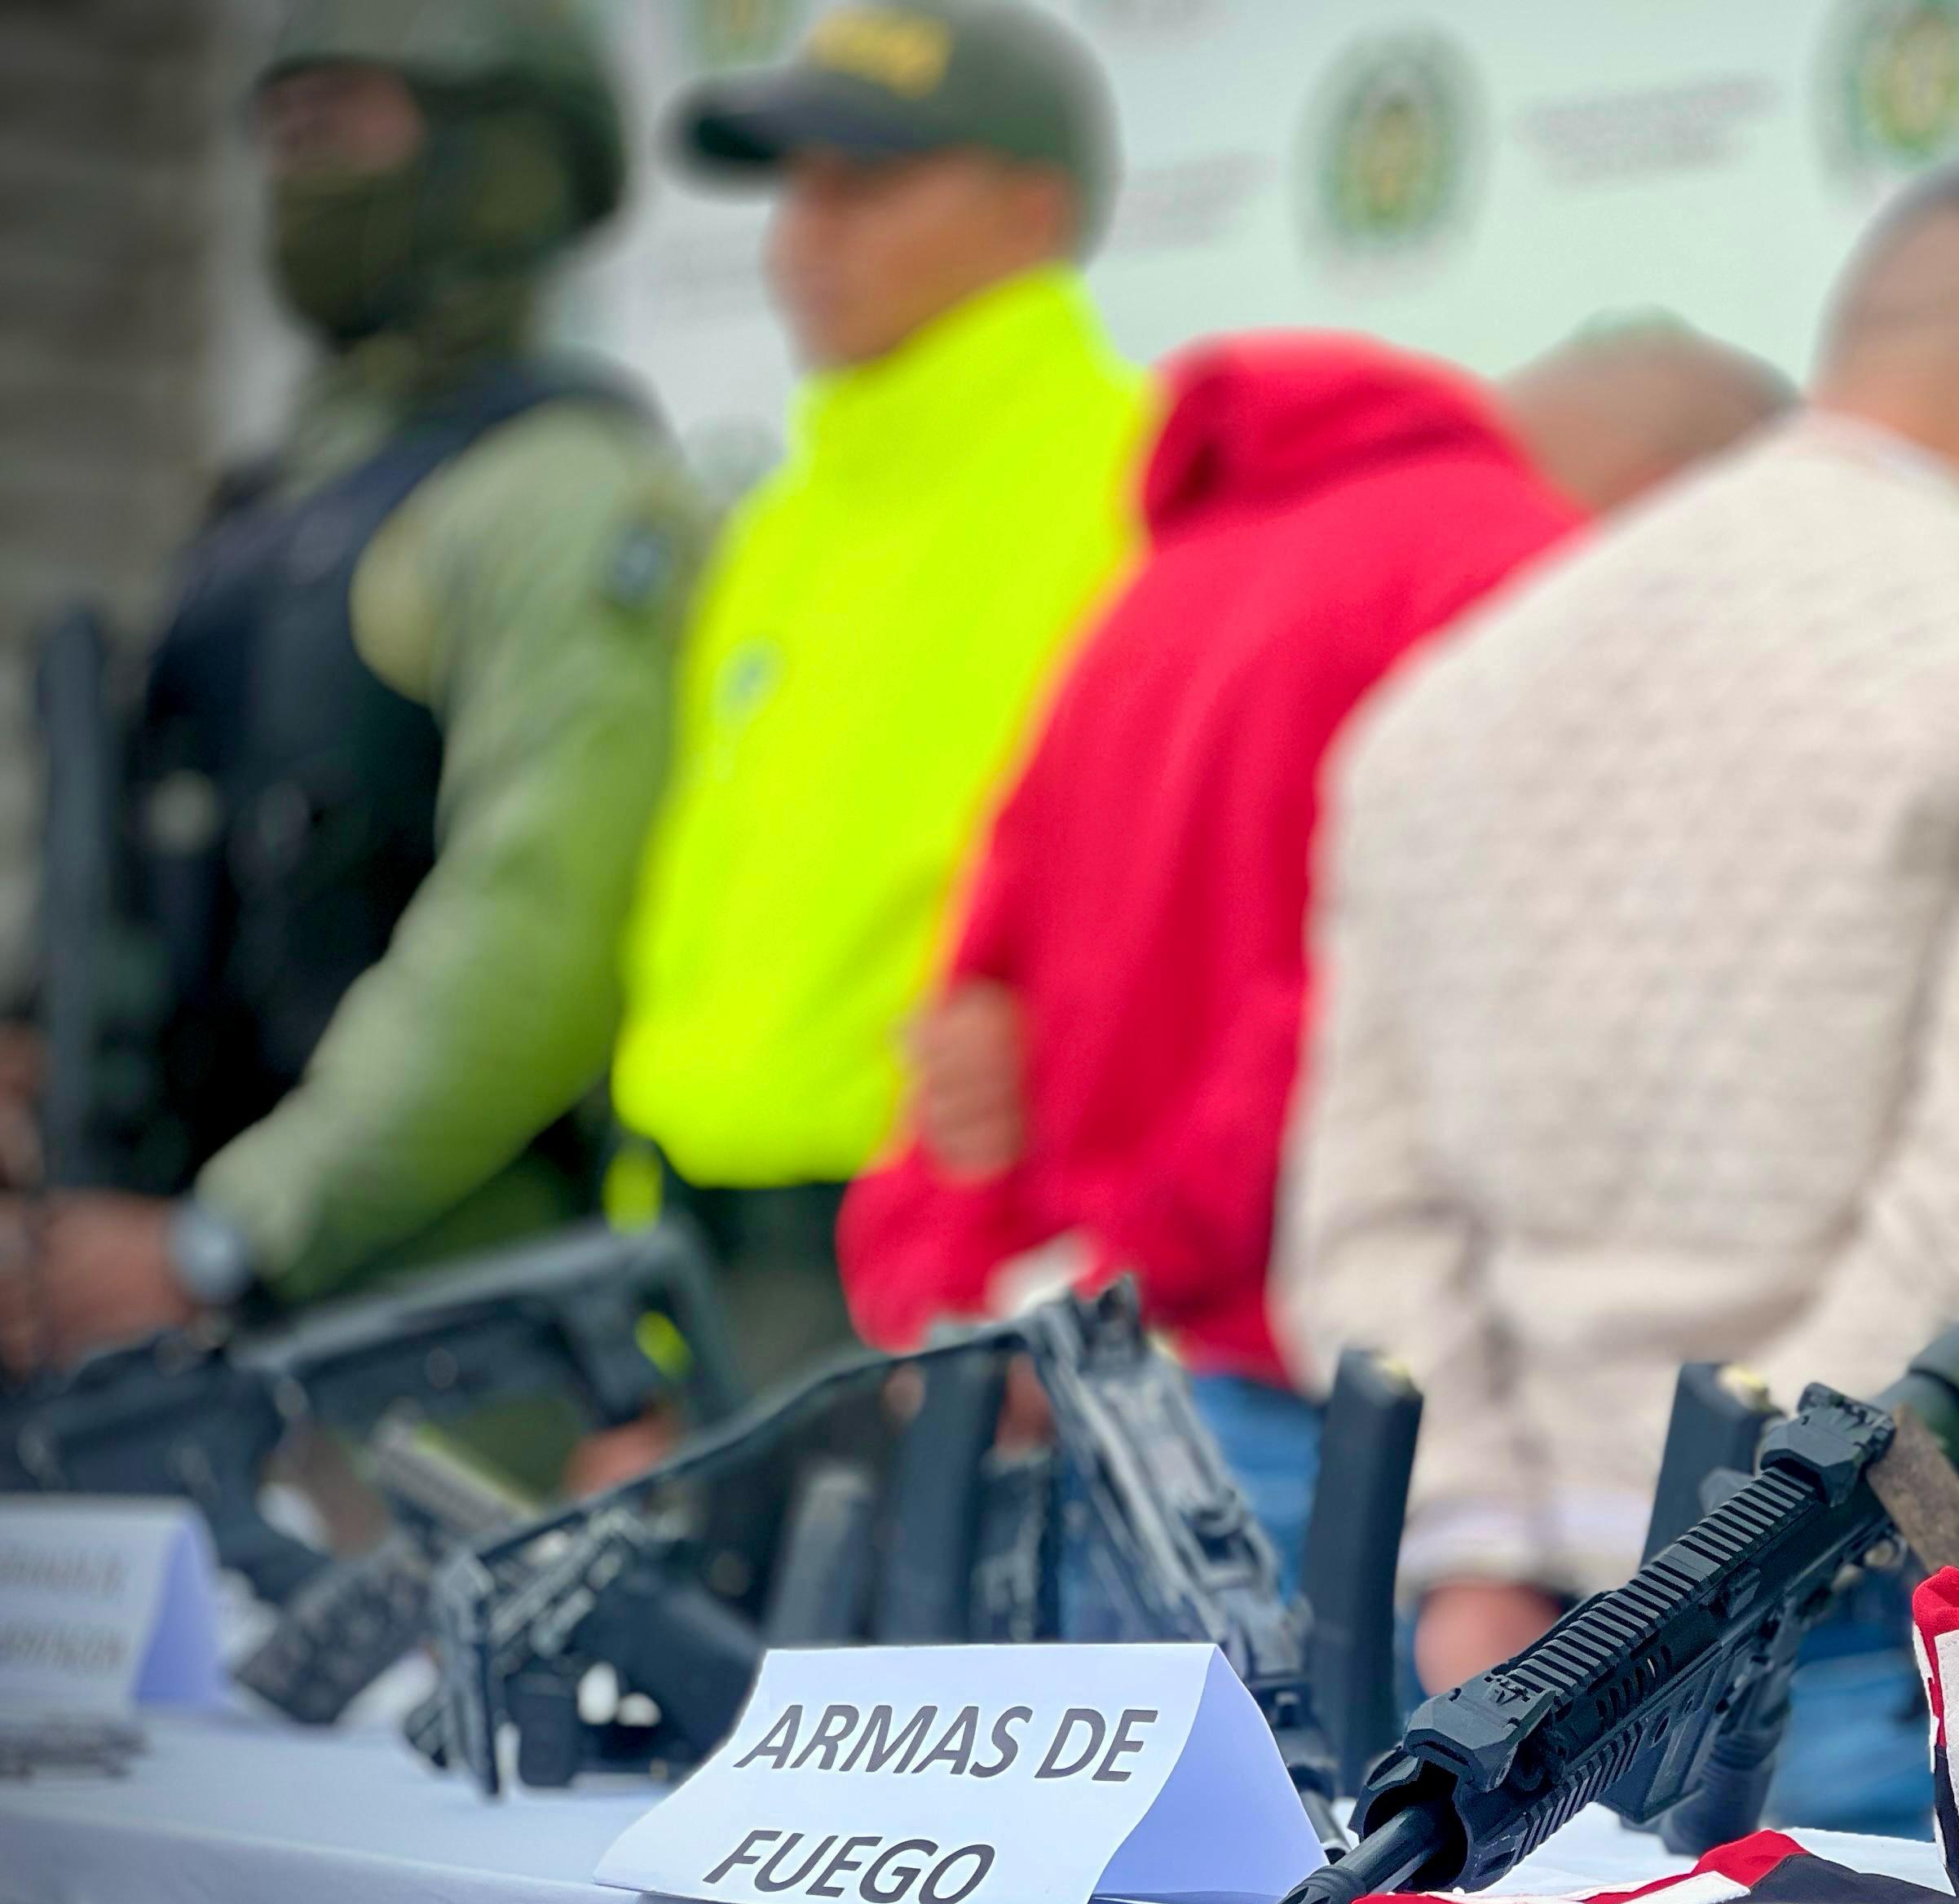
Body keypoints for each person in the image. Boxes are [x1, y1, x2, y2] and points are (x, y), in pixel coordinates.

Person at [1278, 148, 1959, 1829]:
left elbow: (1366, 1217)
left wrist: (1485, 1549)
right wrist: (1723, 1561)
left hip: (1533, 1641)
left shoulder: (1450, 700)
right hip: (1927, 1632)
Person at [836, 323, 1788, 1579]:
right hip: (1368, 1427)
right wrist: (1119, 1277)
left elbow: (973, 1012)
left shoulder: (1155, 592)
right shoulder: (1520, 579)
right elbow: (1349, 1029)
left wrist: (980, 1306)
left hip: (1125, 1417)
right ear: (1689, 505)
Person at [0, 0, 699, 1372]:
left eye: (347, 121)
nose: (297, 162)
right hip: (156, 1295)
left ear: (502, 157)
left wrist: (233, 1237)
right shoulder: (271, 503)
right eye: (281, 127)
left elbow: (534, 935)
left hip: (426, 1328)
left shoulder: (559, 497)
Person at [609, 0, 1152, 1389]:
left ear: (1033, 210)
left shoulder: (1136, 485)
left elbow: (1146, 911)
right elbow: (706, 928)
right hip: (701, 1249)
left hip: (938, 1266)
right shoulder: (782, 522)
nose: (804, 235)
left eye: (866, 186)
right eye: (795, 189)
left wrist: (1025, 1253)